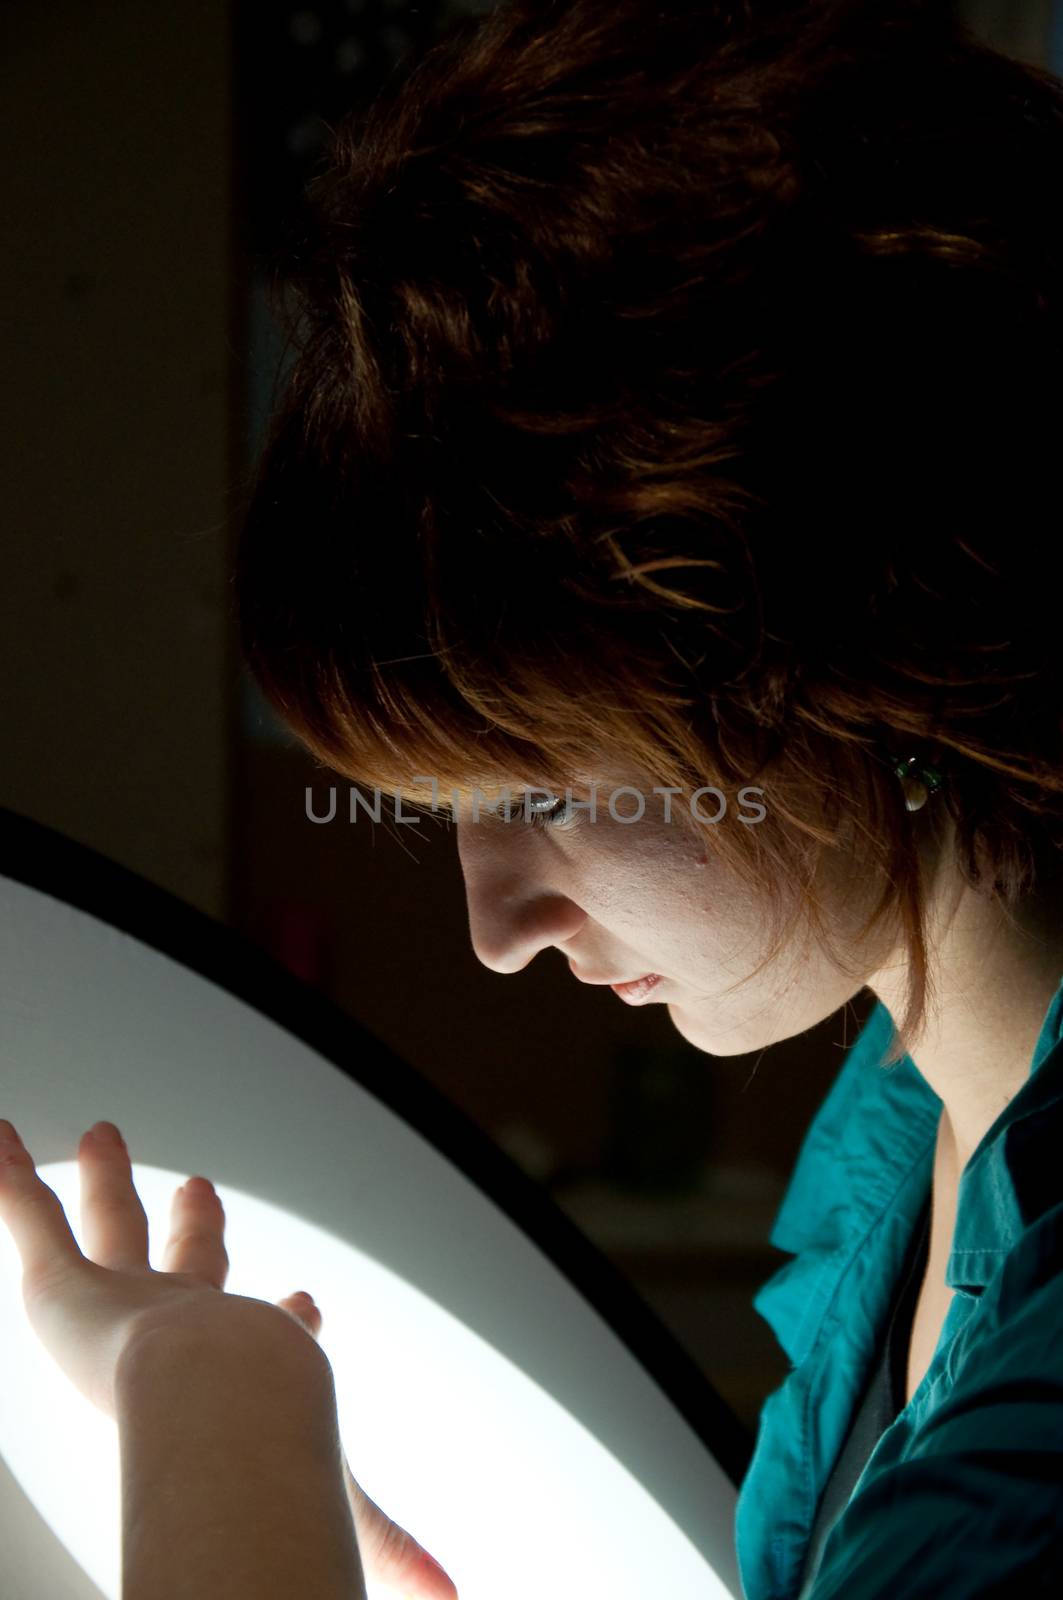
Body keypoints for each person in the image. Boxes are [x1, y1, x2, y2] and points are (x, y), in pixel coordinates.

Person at [3, 0, 1063, 1594]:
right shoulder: (912, 1133)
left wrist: (217, 1391)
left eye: (540, 790)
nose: (501, 929)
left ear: (864, 652)